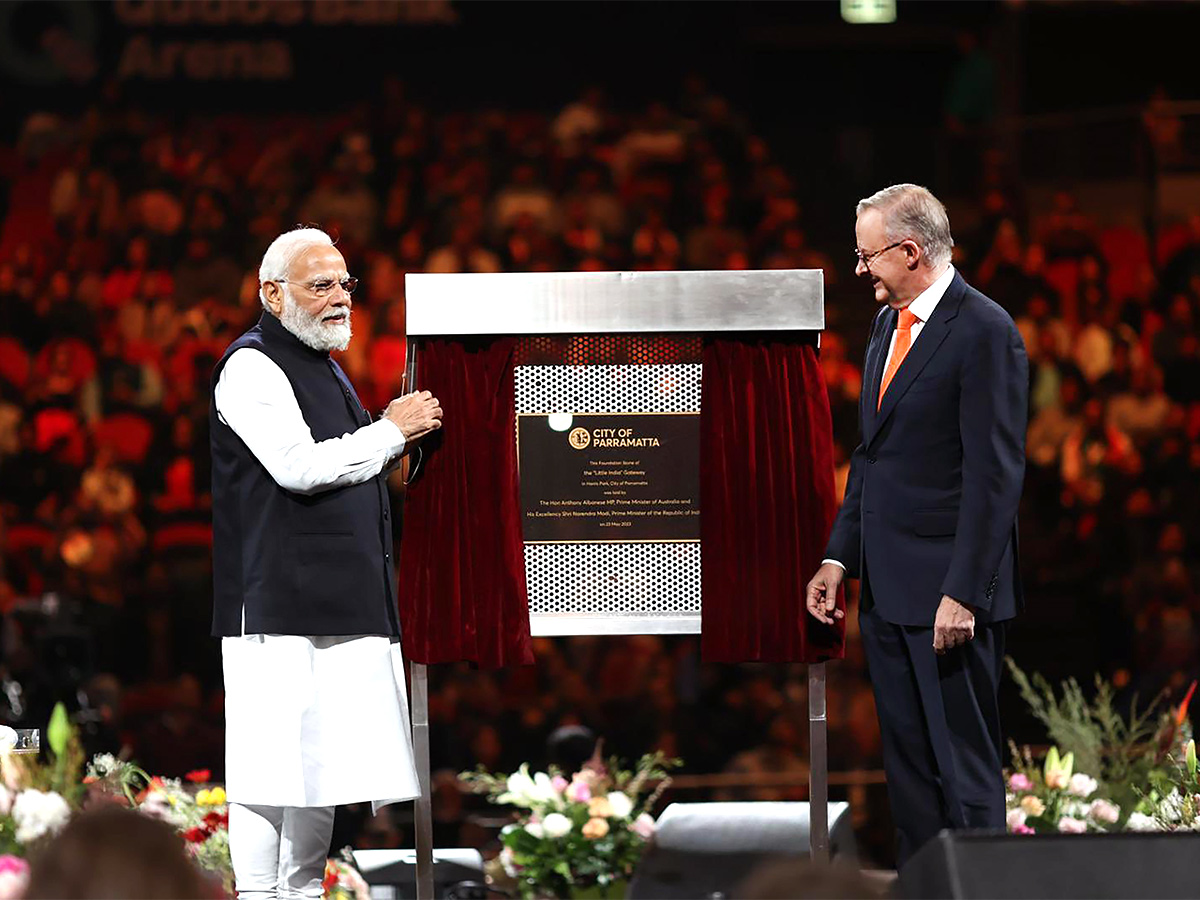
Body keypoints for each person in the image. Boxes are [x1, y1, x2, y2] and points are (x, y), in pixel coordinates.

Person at [209, 227, 443, 898]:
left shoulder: (321, 361)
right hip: (276, 604)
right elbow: (299, 468)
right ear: (273, 294)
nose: (339, 297)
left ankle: (304, 890)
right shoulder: (251, 365)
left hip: (341, 595)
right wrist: (391, 429)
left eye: (345, 284)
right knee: (267, 766)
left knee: (324, 765)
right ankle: (258, 894)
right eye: (321, 286)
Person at [805, 185, 1028, 868]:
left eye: (867, 255)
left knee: (964, 771)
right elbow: (873, 455)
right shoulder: (885, 326)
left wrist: (964, 592)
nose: (860, 269)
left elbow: (995, 477)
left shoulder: (985, 331)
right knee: (909, 780)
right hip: (887, 596)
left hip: (947, 603)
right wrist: (839, 558)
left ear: (910, 251)